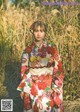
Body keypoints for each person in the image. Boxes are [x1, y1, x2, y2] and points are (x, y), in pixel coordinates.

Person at [17, 21, 64, 112]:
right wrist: (24, 88)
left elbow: (58, 67)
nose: (38, 34)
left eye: (41, 31)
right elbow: (24, 69)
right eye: (36, 31)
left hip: (48, 81)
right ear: (32, 32)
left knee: (48, 104)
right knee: (34, 104)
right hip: (33, 82)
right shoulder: (28, 50)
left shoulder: (51, 47)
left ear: (45, 32)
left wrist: (56, 85)